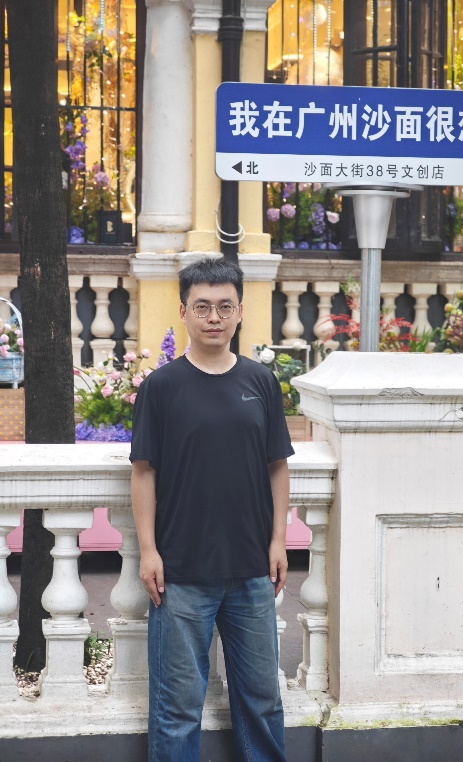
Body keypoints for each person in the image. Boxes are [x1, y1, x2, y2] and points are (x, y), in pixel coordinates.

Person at [130, 256, 294, 762]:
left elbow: (277, 466)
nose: (214, 317)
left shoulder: (260, 382)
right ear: (183, 311)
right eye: (202, 307)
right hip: (180, 573)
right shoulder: (161, 387)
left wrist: (278, 540)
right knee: (177, 709)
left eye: (225, 306)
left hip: (251, 570)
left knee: (263, 701)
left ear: (240, 311)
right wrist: (148, 550)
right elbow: (143, 471)